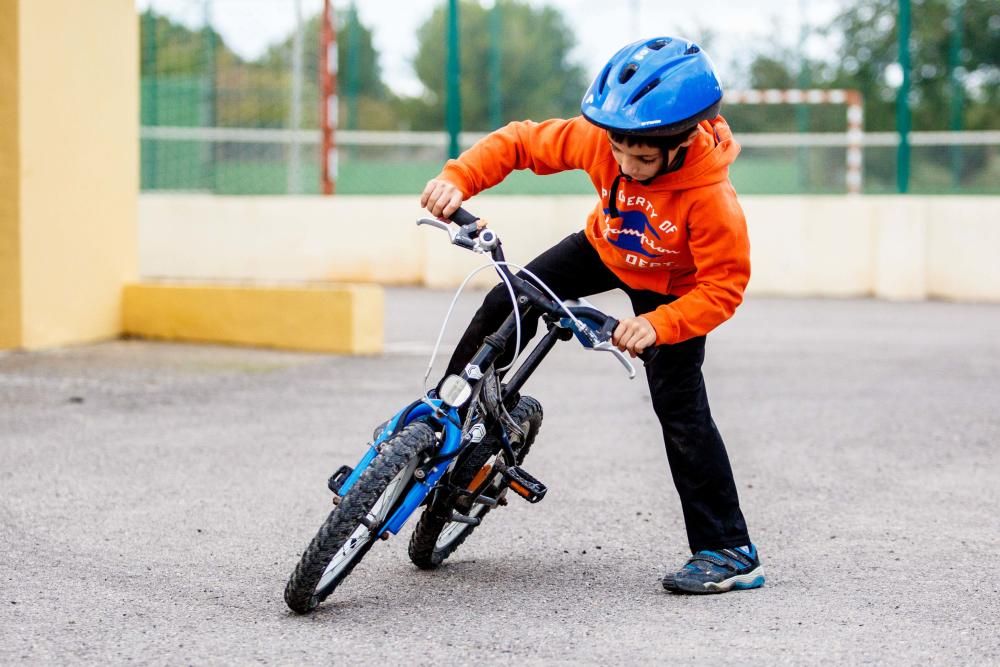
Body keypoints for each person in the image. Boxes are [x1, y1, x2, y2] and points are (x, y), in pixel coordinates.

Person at [420, 36, 763, 594]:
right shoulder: (606, 141)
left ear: (680, 141)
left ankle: (727, 548)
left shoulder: (710, 197)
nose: (625, 165)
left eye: (643, 158)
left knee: (680, 408)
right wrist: (459, 178)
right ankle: (445, 418)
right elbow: (522, 143)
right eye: (619, 151)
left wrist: (659, 324)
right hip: (603, 248)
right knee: (508, 299)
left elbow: (725, 285)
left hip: (671, 288)